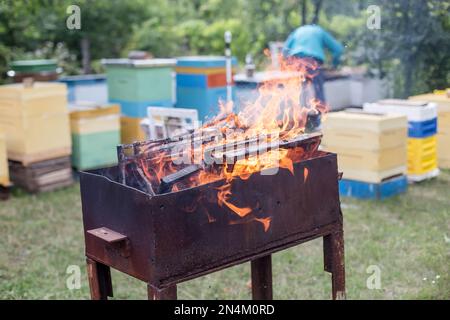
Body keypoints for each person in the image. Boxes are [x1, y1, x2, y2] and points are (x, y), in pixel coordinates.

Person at [283, 24, 344, 131]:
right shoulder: (319, 31)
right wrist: (335, 64)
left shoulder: (298, 31)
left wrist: (287, 64)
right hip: (313, 62)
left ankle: (294, 123)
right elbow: (338, 49)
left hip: (296, 62)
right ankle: (320, 122)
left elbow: (284, 51)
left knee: (296, 92)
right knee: (318, 91)